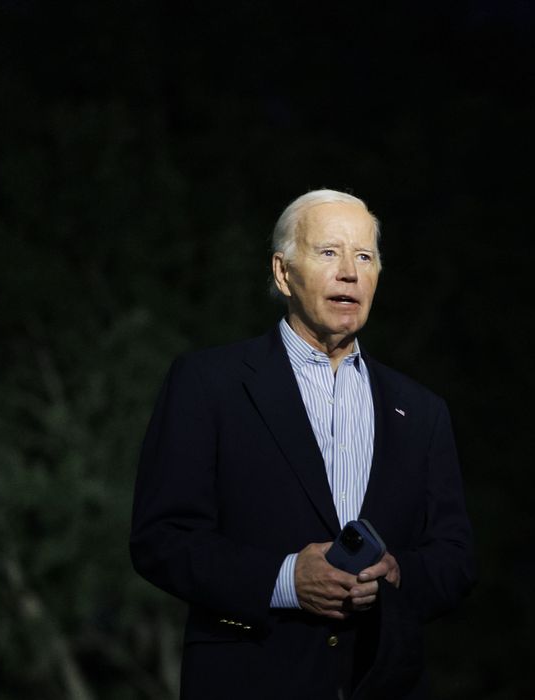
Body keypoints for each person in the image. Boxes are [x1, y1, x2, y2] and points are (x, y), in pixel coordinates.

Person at [130, 189, 476, 699]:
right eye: (329, 252)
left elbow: (454, 557)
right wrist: (287, 579)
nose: (350, 272)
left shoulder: (421, 410)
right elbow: (161, 539)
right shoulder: (209, 384)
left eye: (364, 257)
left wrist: (400, 574)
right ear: (282, 272)